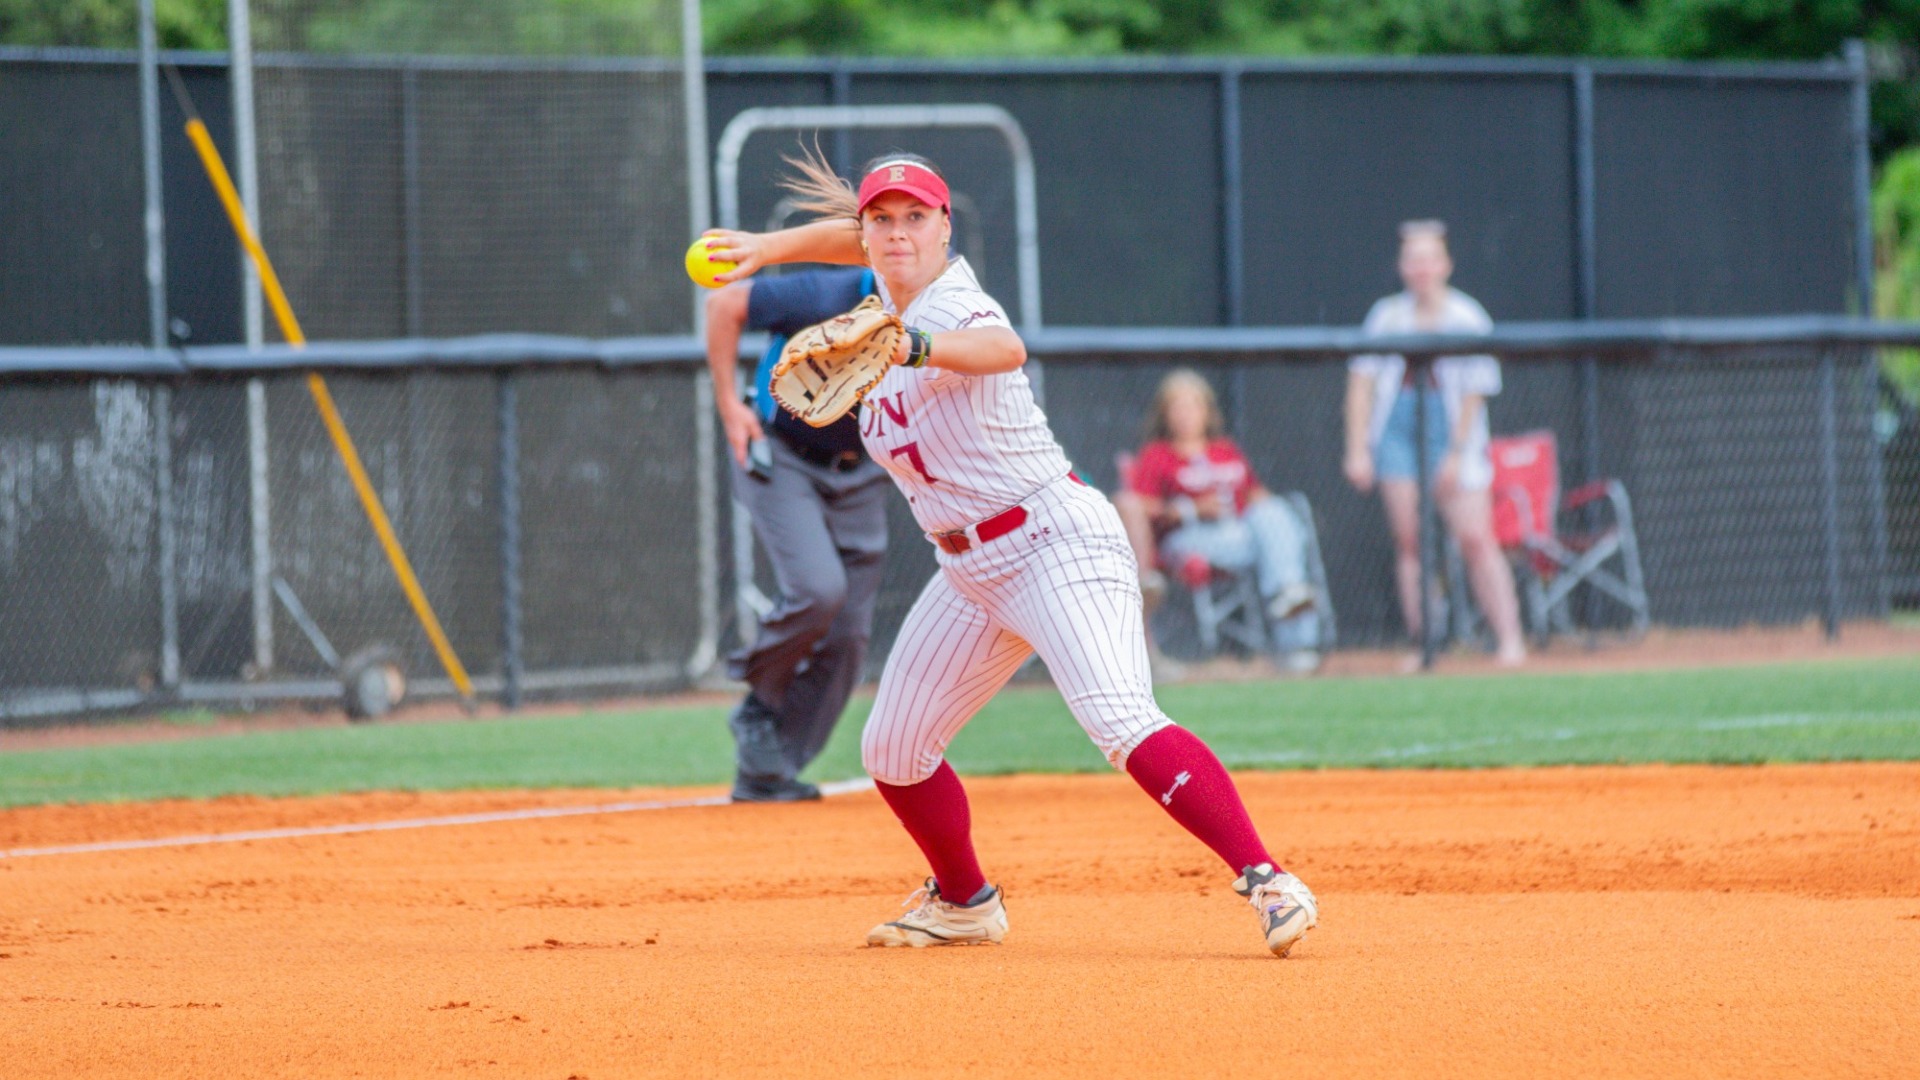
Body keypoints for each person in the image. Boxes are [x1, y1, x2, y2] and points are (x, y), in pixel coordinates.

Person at [703, 148, 1318, 959]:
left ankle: (1268, 878)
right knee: (892, 748)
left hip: (1055, 540)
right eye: (882, 220)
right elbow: (855, 243)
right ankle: (963, 901)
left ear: (944, 228)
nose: (897, 234)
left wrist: (912, 348)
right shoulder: (880, 284)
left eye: (915, 218)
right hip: (967, 569)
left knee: (1119, 719)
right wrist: (765, 246)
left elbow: (1005, 350)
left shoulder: (957, 305)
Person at [704, 267, 890, 802]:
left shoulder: (935, 313)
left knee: (849, 635)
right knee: (817, 589)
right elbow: (724, 306)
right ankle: (760, 703)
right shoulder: (831, 293)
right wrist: (728, 404)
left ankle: (769, 766)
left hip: (862, 470)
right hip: (780, 455)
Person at [1343, 220, 1526, 666]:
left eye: (1429, 259)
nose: (1421, 268)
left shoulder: (1468, 317)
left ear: (1445, 264)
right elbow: (1361, 385)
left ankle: (1510, 640)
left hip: (1451, 434)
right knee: (1408, 543)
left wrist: (1456, 454)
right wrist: (1357, 448)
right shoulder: (1386, 316)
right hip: (1396, 431)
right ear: (1402, 267)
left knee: (1476, 539)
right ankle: (1423, 646)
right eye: (1412, 259)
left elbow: (1475, 392)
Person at [1115, 369, 1320, 672]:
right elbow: (1136, 505)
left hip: (1242, 534)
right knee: (1278, 540)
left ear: (1207, 411)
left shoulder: (1225, 450)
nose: (1185, 415)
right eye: (1177, 407)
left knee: (1273, 513)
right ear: (1165, 414)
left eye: (1193, 406)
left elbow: (1254, 493)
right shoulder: (1158, 454)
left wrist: (1274, 515)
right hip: (1189, 540)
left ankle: (1292, 619)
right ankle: (1290, 607)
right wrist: (1193, 509)